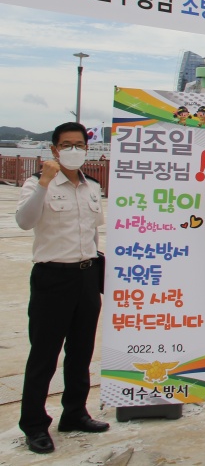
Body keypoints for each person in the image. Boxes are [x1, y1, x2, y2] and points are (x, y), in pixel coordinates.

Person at [16, 122, 108, 455]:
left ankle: (74, 413)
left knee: (81, 352)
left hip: (85, 277)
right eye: (67, 144)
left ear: (87, 149)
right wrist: (43, 181)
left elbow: (92, 234)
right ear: (54, 150)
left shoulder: (91, 187)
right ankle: (34, 424)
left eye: (79, 144)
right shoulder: (36, 184)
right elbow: (24, 221)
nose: (74, 150)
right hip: (52, 279)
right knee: (43, 356)